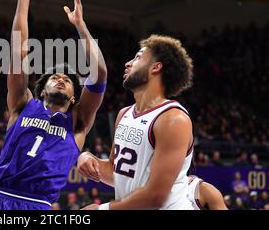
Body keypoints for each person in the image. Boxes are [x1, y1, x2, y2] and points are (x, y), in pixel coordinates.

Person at [0, 0, 107, 210]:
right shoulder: (23, 104)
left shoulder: (77, 121)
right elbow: (18, 52)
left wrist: (81, 27)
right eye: (54, 77)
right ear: (41, 91)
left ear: (74, 98)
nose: (60, 79)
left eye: (68, 80)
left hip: (37, 205)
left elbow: (100, 74)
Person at [78, 35, 194, 209]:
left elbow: (156, 196)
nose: (128, 63)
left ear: (156, 67)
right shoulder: (124, 114)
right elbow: (117, 173)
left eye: (138, 57)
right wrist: (87, 158)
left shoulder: (173, 119)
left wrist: (103, 208)